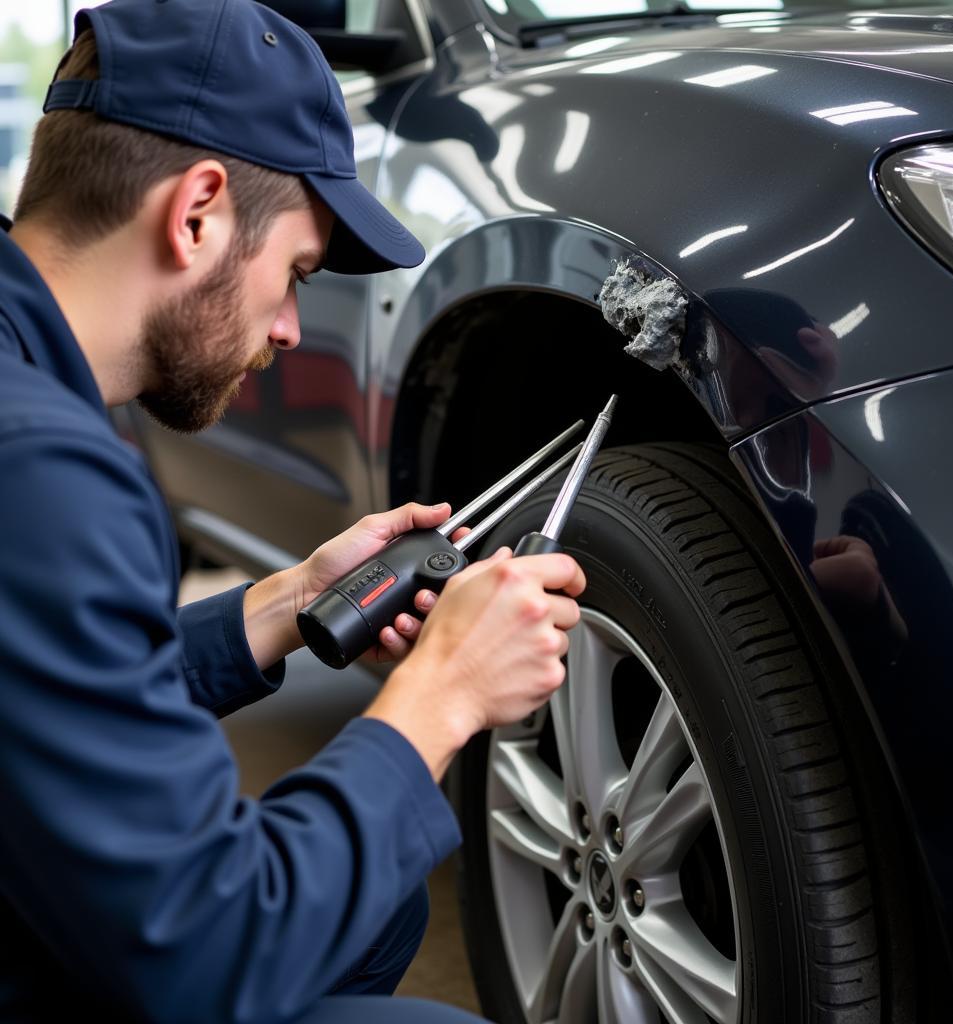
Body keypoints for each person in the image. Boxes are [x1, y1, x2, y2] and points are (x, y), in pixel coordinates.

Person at [0, 1, 585, 1022]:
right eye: (295, 274)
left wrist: (283, 601)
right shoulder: (47, 473)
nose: (286, 328)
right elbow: (207, 949)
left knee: (372, 903)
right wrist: (440, 695)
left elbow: (46, 687)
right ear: (198, 213)